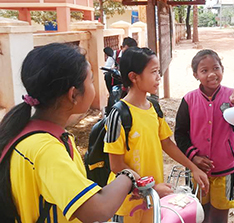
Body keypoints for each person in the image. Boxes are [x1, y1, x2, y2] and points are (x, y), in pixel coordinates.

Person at [0, 43, 140, 223]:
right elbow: (97, 210)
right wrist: (127, 176)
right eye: (90, 80)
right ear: (73, 95)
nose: (93, 85)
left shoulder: (29, 133)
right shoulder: (47, 149)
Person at [104, 47, 209, 223]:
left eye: (158, 71)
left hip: (153, 199)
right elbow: (116, 165)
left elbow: (167, 143)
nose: (158, 76)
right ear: (134, 77)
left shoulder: (154, 107)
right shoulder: (119, 114)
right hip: (127, 202)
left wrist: (194, 168)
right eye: (153, 72)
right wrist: (150, 187)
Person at [174, 49, 234, 223]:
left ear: (222, 69)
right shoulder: (189, 100)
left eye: (216, 68)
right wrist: (194, 157)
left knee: (220, 216)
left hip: (226, 170)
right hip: (196, 171)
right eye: (204, 71)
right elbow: (180, 133)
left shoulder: (232, 97)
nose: (212, 74)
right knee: (199, 213)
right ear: (195, 75)